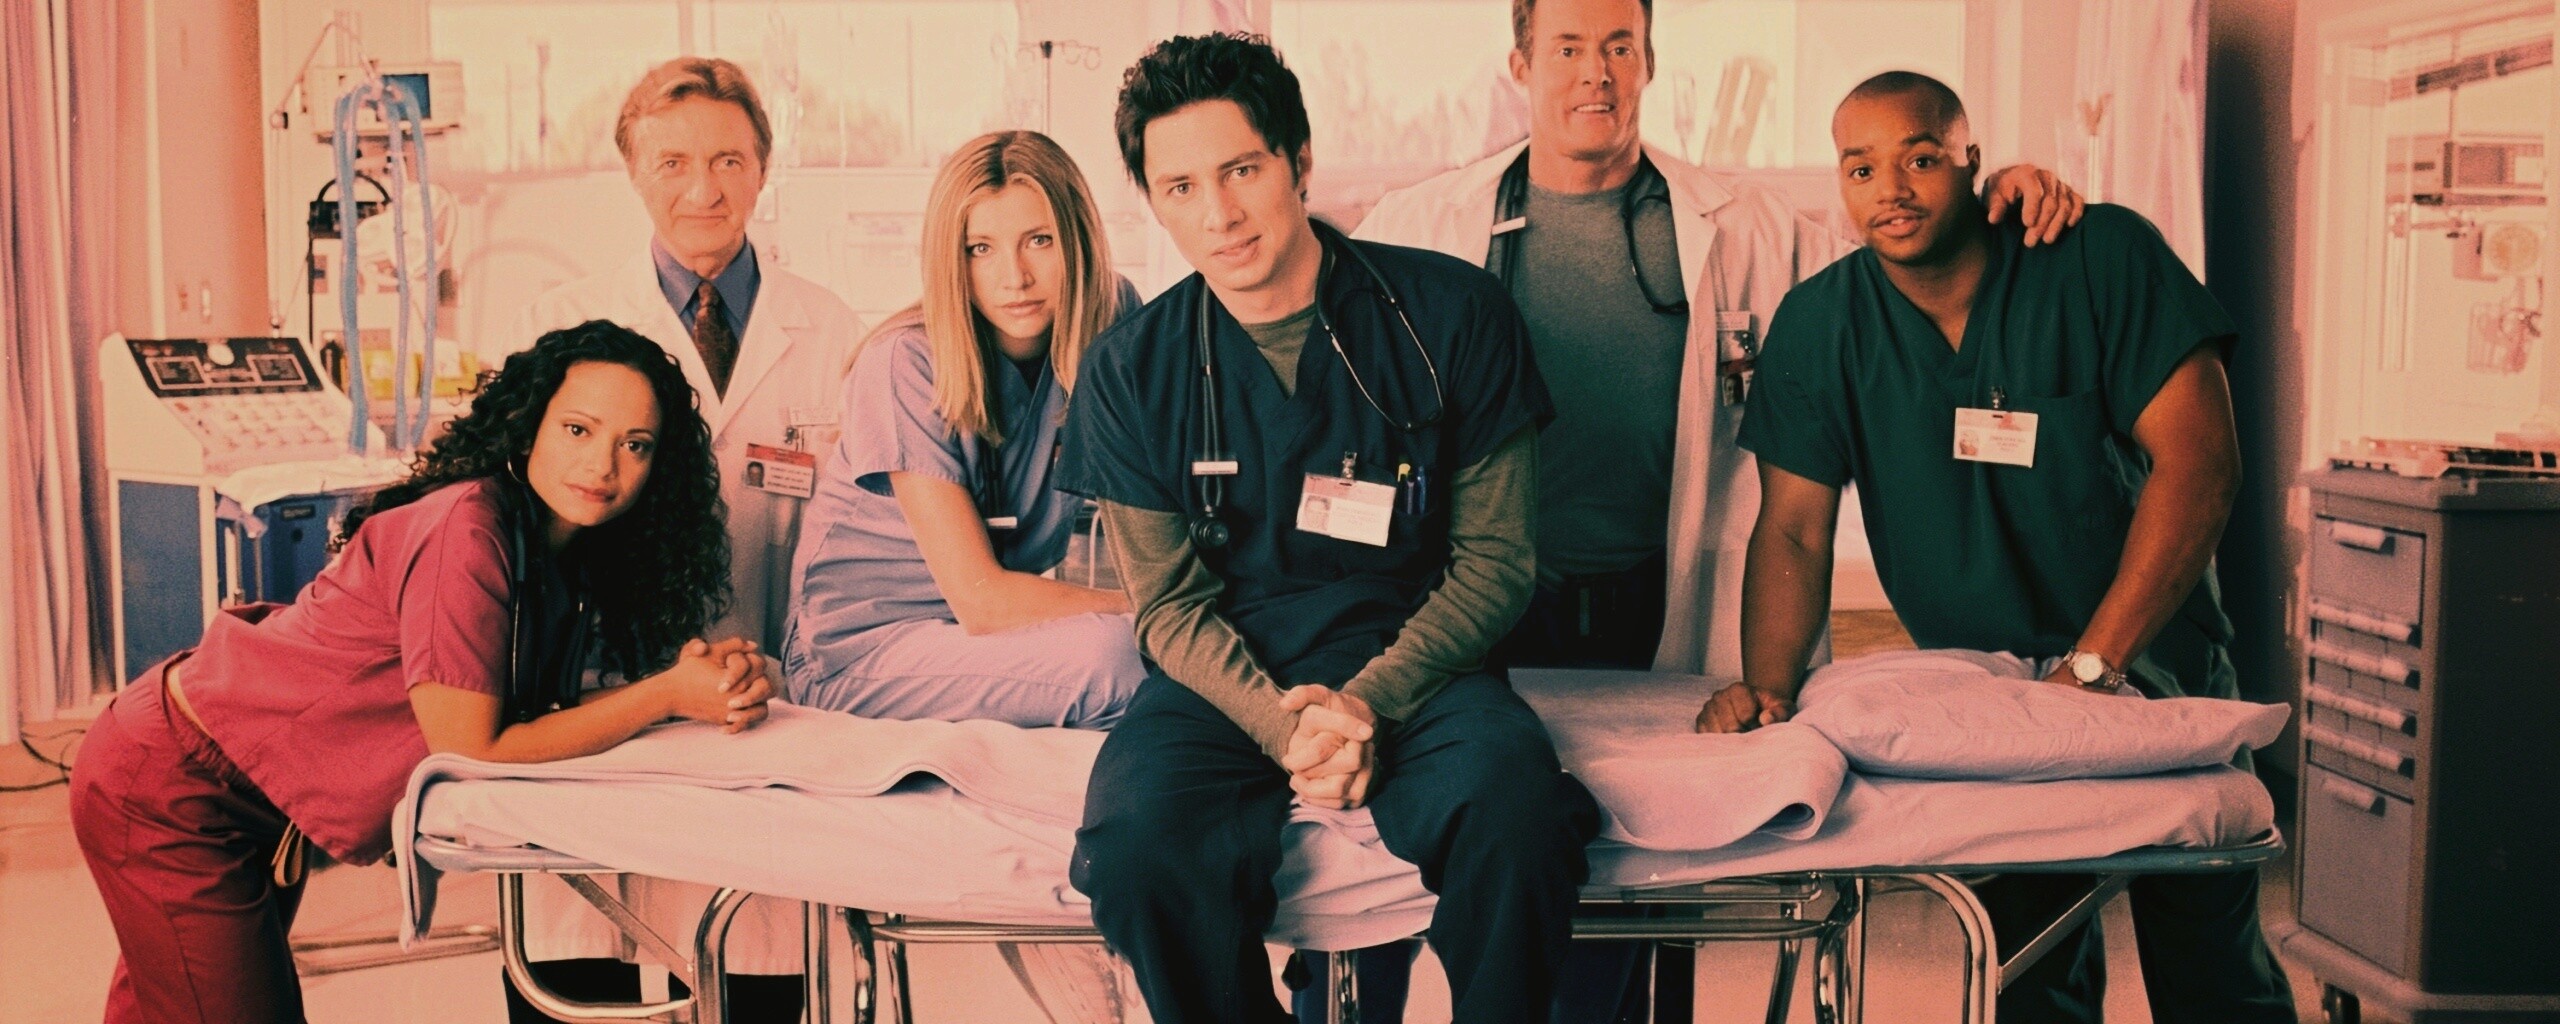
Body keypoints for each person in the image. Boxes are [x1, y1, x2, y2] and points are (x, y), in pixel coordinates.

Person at [1353, 2, 2083, 1016]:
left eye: (1618, 45)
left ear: (1649, 60)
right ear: (1520, 64)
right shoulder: (1415, 226)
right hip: (1486, 603)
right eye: (1568, 48)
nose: (1596, 72)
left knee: (1649, 877)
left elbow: (1897, 252)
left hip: (1660, 603)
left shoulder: (1746, 229)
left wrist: (1993, 195)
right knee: (1476, 855)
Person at [1700, 72, 2295, 1024]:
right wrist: (1767, 689)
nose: (1891, 188)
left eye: (1920, 157)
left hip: (2155, 669)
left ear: (1971, 162)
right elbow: (1794, 528)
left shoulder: (2096, 258)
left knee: (2212, 969)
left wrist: (2094, 668)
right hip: (1991, 704)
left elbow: (2201, 467)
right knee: (2030, 970)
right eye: (1861, 167)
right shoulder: (1822, 325)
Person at [1057, 33, 1601, 1024]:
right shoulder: (1131, 370)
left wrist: (1365, 706)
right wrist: (1286, 725)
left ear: (1299, 161)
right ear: (1152, 201)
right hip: (1224, 676)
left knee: (1517, 816)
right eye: (1180, 187)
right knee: (1136, 849)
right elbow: (1169, 609)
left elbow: (1494, 564)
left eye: (1242, 170)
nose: (1218, 214)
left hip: (1425, 660)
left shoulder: (1452, 317)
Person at [70, 321, 775, 1024]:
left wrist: (685, 683)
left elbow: (538, 713)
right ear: (528, 425)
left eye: (635, 444)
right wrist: (663, 696)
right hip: (175, 787)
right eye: (578, 430)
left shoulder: (562, 547)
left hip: (249, 796)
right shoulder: (466, 532)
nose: (602, 465)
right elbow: (474, 745)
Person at [508, 57, 858, 1021]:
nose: (703, 188)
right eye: (672, 162)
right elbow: (514, 547)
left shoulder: (832, 333)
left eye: (728, 160)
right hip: (595, 712)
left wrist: (783, 668)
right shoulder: (557, 327)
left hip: (767, 707)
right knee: (580, 978)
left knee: (762, 977)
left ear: (763, 169)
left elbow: (860, 547)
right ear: (633, 172)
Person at [783, 130, 1144, 1024]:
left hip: (985, 636)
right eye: (981, 248)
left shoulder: (1115, 322)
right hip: (861, 652)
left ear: (1078, 240)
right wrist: (1156, 610)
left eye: (1038, 240)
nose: (1013, 276)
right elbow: (981, 600)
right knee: (1122, 656)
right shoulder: (905, 361)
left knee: (1173, 653)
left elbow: (1154, 501)